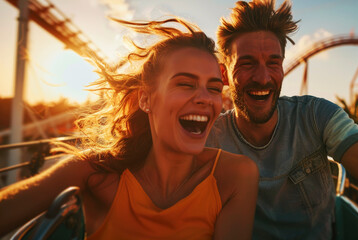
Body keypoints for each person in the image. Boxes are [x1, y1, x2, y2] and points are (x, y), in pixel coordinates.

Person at [0, 18, 259, 239]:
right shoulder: (96, 174)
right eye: (185, 84)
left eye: (213, 88)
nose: (205, 98)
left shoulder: (235, 176)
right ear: (146, 99)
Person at [207, 0, 358, 239]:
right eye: (247, 63)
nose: (263, 78)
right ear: (224, 73)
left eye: (273, 63)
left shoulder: (316, 115)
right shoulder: (209, 136)